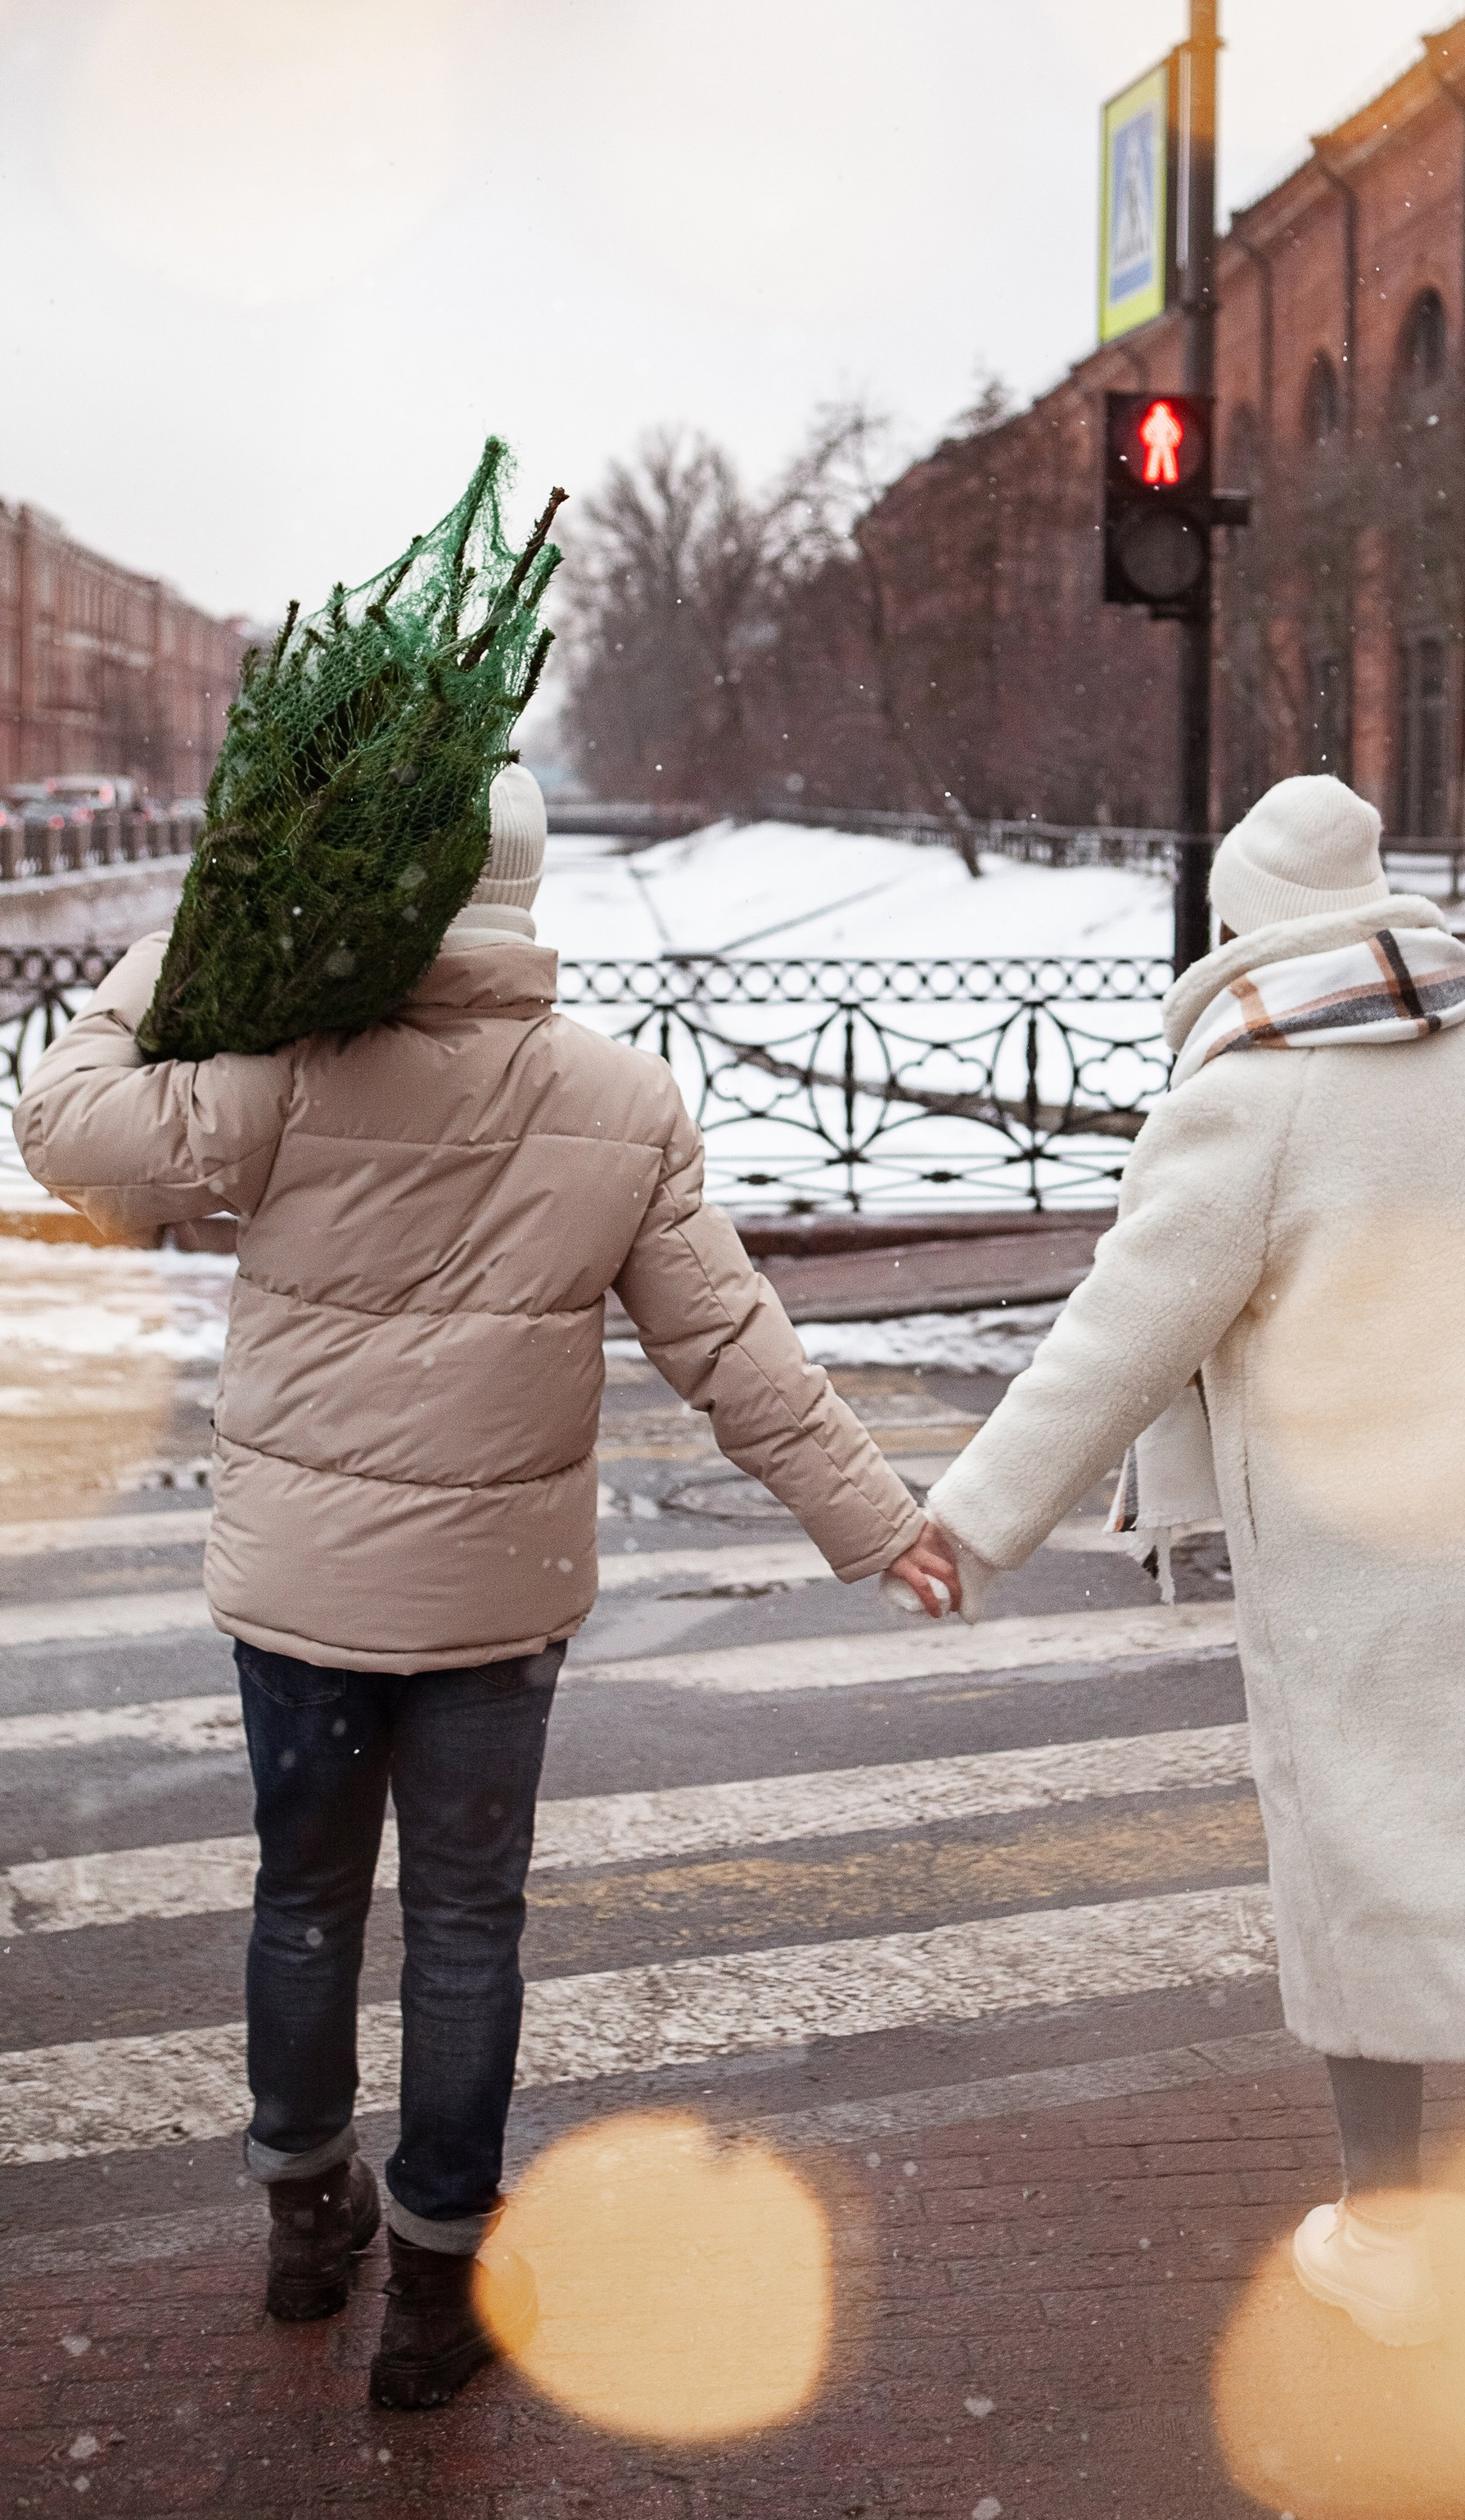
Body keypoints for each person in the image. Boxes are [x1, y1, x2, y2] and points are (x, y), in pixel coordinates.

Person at [14, 765, 963, 2410]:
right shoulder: (620, 1101)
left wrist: (197, 937)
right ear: (527, 901)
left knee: (303, 1906)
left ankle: (311, 2218)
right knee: (465, 1931)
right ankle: (438, 2288)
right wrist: (872, 1517)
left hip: (300, 1605)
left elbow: (61, 1126)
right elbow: (731, 1351)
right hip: (491, 1605)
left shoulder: (291, 1074)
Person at [925, 775, 1465, 2446]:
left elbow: (1115, 1337)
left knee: (1369, 1885)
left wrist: (968, 1526)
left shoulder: (1252, 1097)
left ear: (1238, 924)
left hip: (1354, 1586)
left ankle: (1394, 2242)